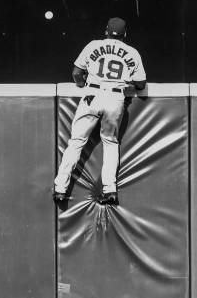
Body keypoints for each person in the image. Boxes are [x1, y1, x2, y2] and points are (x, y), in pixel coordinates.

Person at [52, 17, 147, 206]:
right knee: (110, 143)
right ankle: (110, 190)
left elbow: (77, 73)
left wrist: (81, 85)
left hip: (92, 94)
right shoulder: (132, 52)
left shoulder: (94, 45)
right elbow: (141, 84)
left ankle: (60, 189)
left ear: (105, 31)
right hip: (115, 98)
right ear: (125, 34)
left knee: (77, 142)